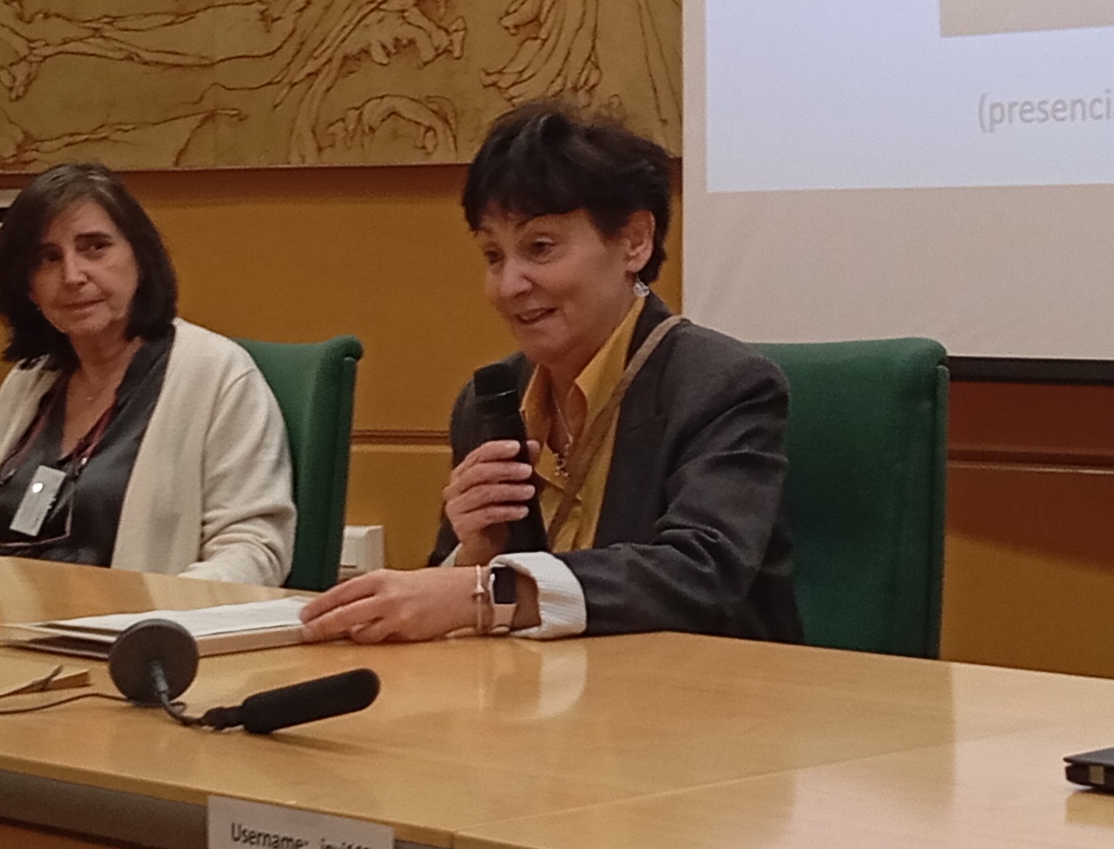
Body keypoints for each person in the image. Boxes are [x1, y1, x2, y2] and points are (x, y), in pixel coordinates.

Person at [300, 100, 800, 643]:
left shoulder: (723, 386)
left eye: (539, 248)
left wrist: (486, 592)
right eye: (494, 255)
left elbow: (700, 575)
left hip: (708, 700)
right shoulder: (489, 399)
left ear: (634, 241)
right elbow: (450, 597)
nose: (510, 284)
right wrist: (474, 552)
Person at [0, 161, 295, 585]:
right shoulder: (28, 382)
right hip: (11, 634)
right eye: (47, 258)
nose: (73, 275)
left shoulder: (217, 375)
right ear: (27, 286)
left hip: (146, 637)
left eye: (95, 247)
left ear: (139, 257)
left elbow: (253, 547)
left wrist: (154, 619)